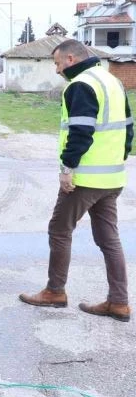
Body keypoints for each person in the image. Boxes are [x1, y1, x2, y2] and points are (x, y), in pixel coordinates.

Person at [19, 39, 132, 322]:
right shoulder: (112, 81)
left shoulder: (81, 85)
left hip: (85, 178)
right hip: (112, 176)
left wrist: (67, 168)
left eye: (57, 64)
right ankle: (119, 302)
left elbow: (81, 131)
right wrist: (119, 158)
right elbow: (129, 129)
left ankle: (55, 291)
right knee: (109, 238)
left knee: (59, 229)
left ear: (71, 59)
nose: (57, 70)